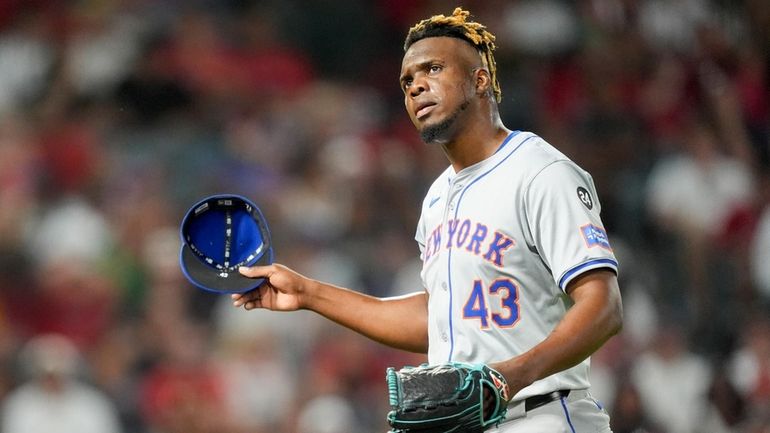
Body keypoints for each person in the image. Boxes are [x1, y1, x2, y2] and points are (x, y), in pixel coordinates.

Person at [232, 8, 623, 432]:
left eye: (432, 69)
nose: (416, 85)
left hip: (542, 415)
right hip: (469, 423)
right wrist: (310, 293)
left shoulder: (540, 171)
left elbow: (603, 306)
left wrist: (513, 375)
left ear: (480, 79)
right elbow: (440, 317)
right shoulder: (438, 196)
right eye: (406, 81)